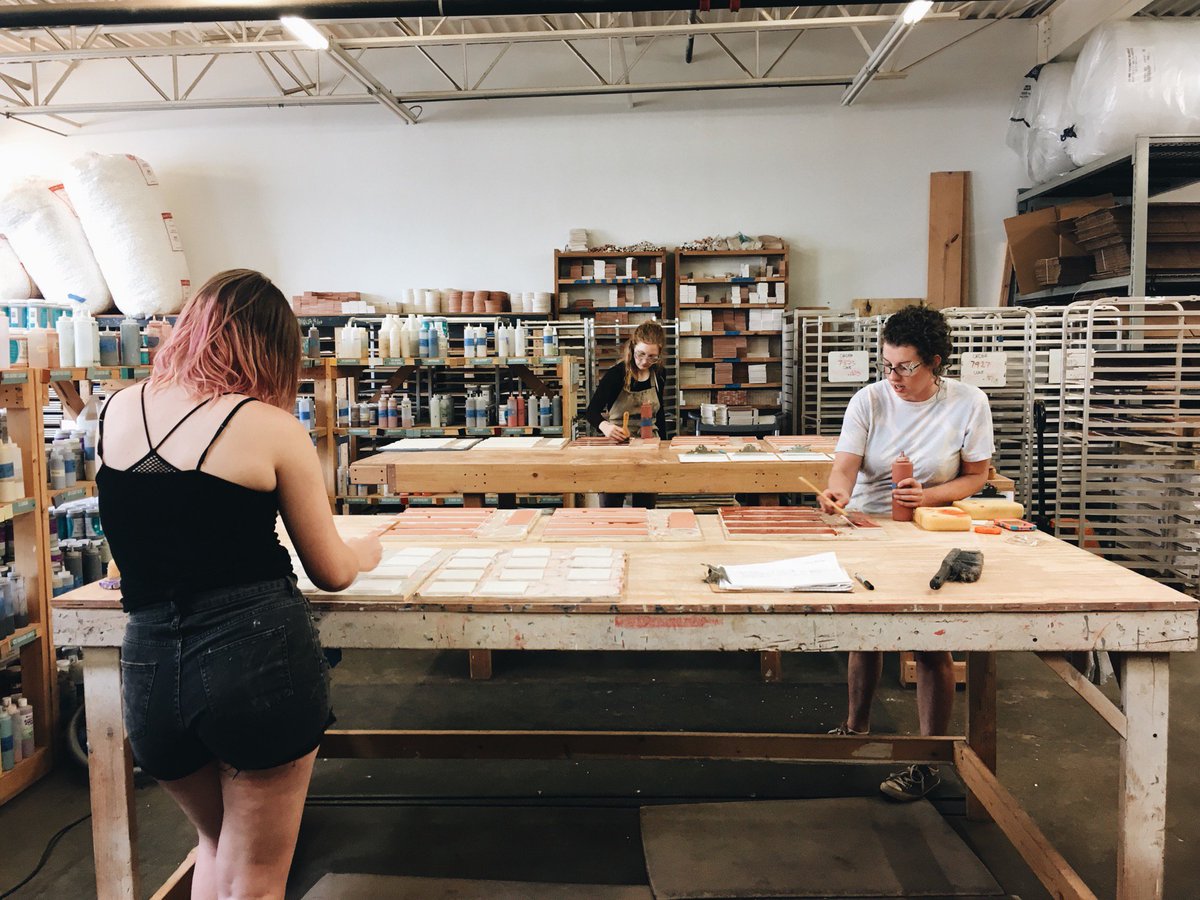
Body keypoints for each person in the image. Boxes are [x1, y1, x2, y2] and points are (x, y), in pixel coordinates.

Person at [96, 269, 383, 899]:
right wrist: (364, 553)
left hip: (150, 665)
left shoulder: (116, 409)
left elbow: (146, 529)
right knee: (254, 878)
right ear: (275, 349)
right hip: (254, 658)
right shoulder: (269, 425)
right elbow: (330, 571)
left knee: (216, 847)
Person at [816, 305, 994, 802]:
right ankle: (856, 729)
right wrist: (838, 493)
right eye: (887, 364)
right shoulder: (870, 399)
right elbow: (845, 465)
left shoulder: (968, 403)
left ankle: (927, 758)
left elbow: (977, 476)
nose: (893, 376)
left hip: (928, 531)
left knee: (930, 642)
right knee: (864, 631)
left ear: (934, 362)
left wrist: (929, 496)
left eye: (905, 367)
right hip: (870, 526)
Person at [585, 320, 669, 509]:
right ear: (632, 347)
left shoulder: (659, 374)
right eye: (641, 354)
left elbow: (660, 413)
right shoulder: (616, 375)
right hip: (617, 446)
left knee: (645, 509)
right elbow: (591, 412)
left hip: (649, 447)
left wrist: (665, 447)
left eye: (652, 357)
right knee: (612, 509)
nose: (645, 361)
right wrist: (605, 427)